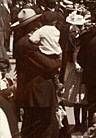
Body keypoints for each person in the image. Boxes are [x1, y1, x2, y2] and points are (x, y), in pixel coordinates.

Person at [13, 8, 61, 137]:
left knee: (32, 125)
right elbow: (50, 65)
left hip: (32, 90)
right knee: (44, 127)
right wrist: (58, 58)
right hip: (39, 92)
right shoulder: (27, 44)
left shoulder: (22, 42)